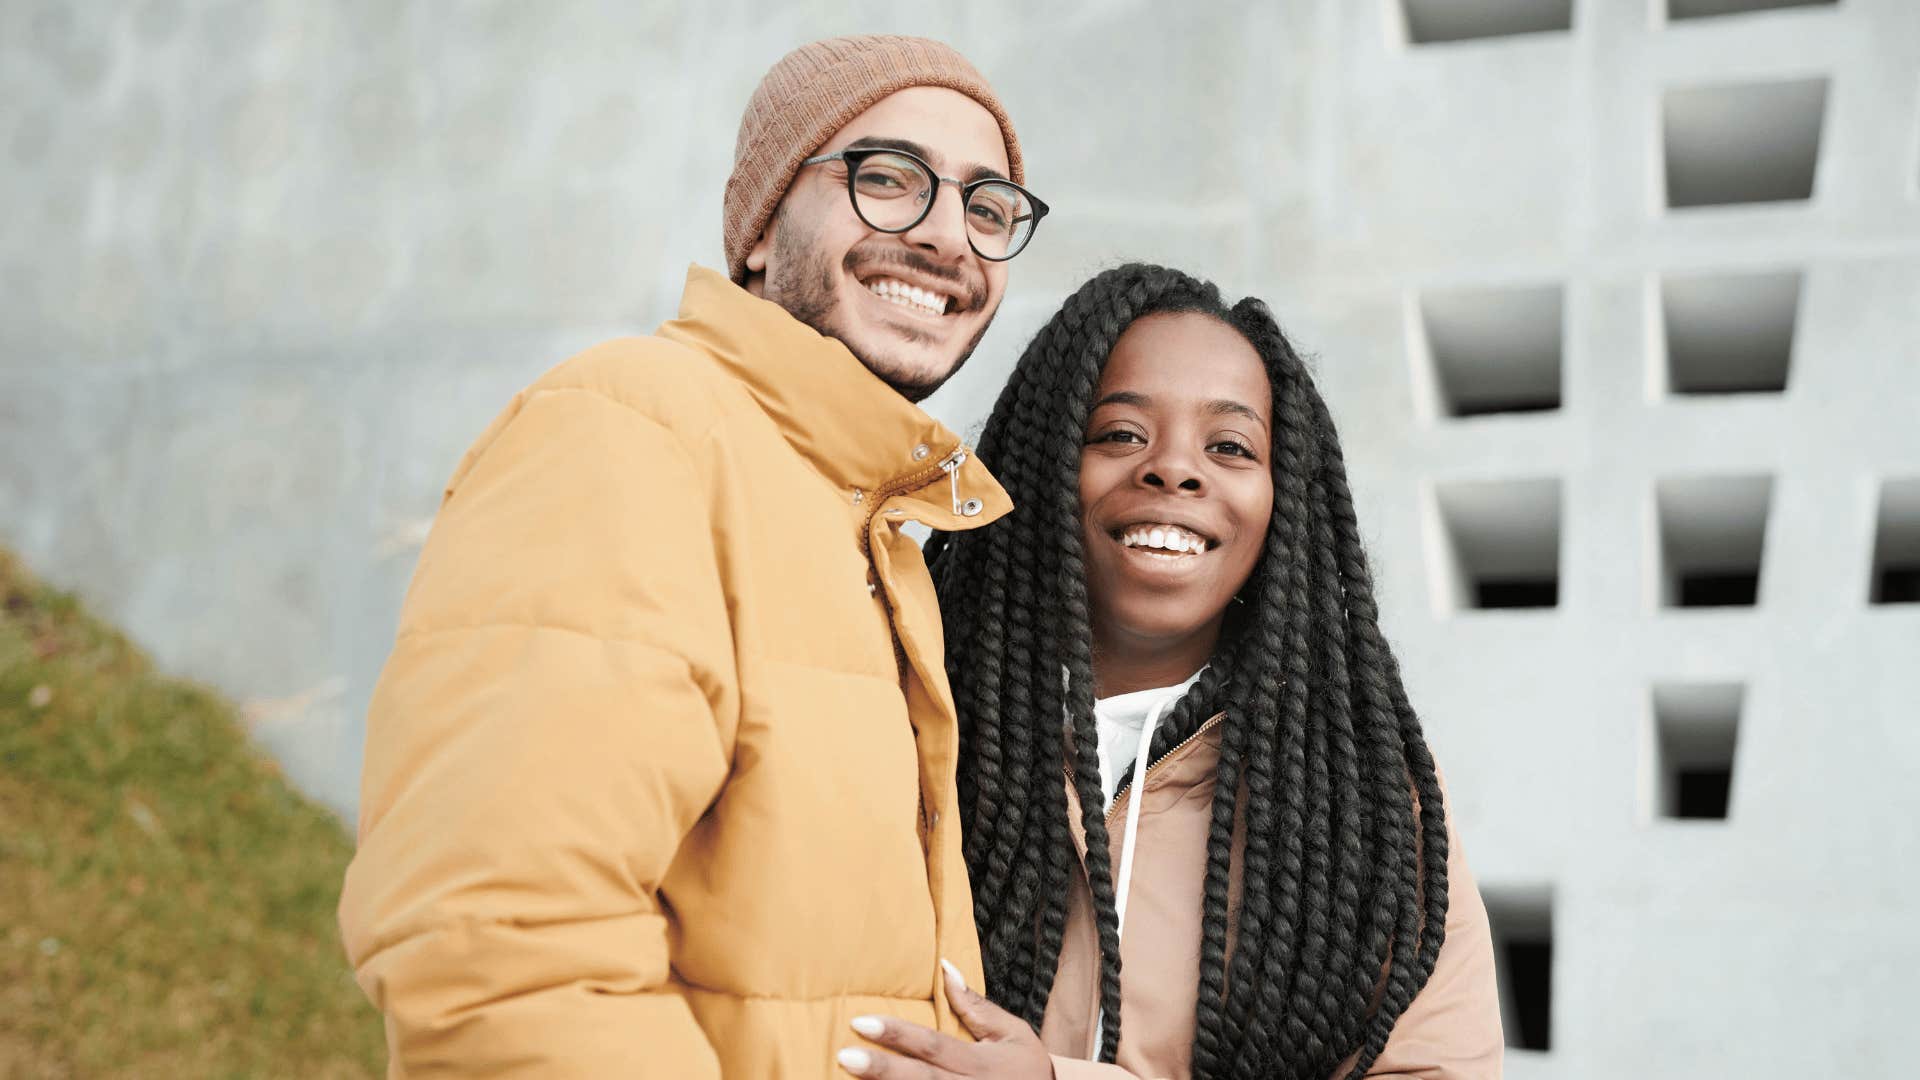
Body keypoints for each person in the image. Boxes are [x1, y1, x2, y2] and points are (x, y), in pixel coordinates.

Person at [337, 35, 1051, 1077]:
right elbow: (500, 945)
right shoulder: (632, 429)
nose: (948, 236)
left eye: (987, 208)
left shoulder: (866, 528)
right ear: (758, 228)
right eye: (887, 179)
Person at [839, 264, 1503, 1079]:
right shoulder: (900, 717)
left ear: (1284, 502)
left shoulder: (1364, 800)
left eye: (1229, 446)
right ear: (1042, 467)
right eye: (1120, 433)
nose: (1174, 470)